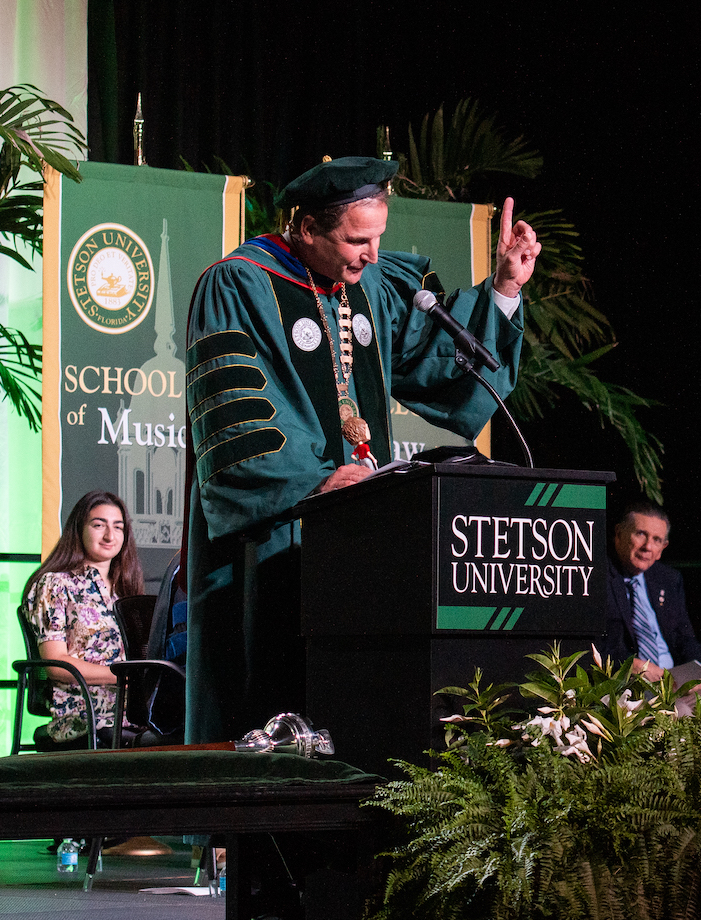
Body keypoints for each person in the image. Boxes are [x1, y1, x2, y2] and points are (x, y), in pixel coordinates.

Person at [184, 156, 538, 742]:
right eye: (356, 239)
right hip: (273, 538)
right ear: (306, 229)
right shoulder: (239, 283)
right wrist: (318, 482)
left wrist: (503, 288)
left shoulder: (369, 285)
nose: (372, 253)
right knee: (268, 702)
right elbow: (237, 421)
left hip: (360, 532)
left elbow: (435, 366)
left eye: (378, 237)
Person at [603, 502, 701, 734]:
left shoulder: (668, 579)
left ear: (663, 547)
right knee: (679, 712)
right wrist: (633, 665)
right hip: (633, 686)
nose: (648, 546)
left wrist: (696, 673)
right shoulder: (597, 577)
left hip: (675, 683)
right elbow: (598, 644)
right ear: (619, 534)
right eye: (641, 534)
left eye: (657, 540)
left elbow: (686, 638)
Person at [23, 490, 145, 749]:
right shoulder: (55, 584)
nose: (110, 536)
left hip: (136, 711)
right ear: (79, 529)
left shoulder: (127, 590)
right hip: (83, 713)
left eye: (118, 527)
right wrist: (123, 678)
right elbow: (55, 665)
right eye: (99, 525)